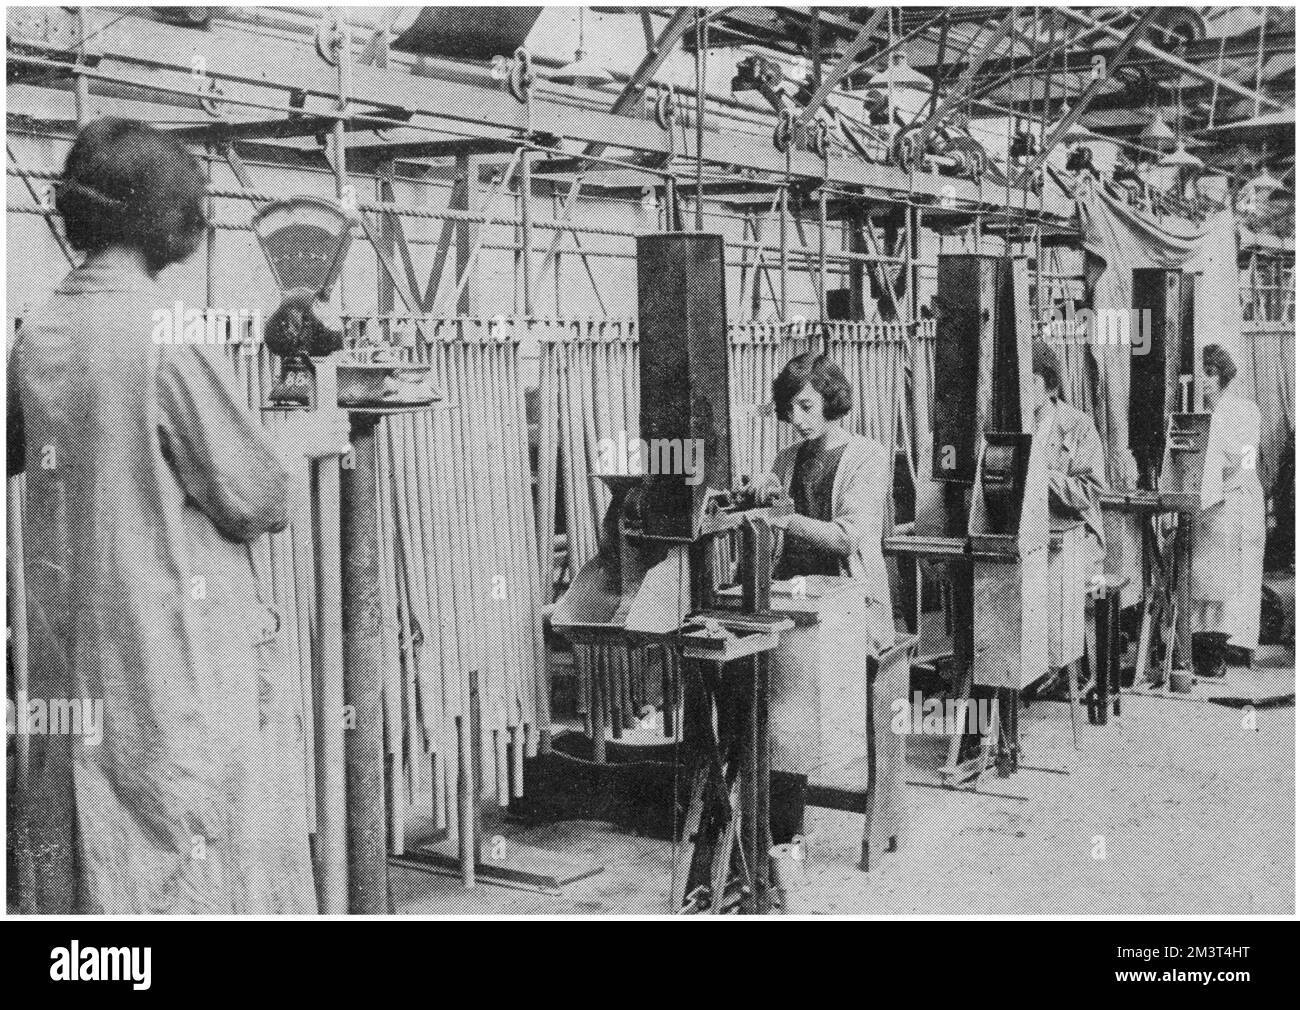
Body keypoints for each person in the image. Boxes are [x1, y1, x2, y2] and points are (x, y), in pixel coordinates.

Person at [7, 118, 349, 913]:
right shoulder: (167, 331)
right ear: (169, 220)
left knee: (96, 862)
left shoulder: (38, 332)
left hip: (75, 664)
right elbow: (255, 498)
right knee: (194, 855)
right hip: (175, 662)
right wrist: (296, 440)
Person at [1028, 342, 1107, 680]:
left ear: (1050, 384)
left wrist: (1043, 477)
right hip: (1034, 532)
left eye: (1029, 380)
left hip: (1079, 534)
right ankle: (1027, 668)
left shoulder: (1078, 426)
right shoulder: (1013, 423)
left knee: (1049, 572)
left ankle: (1056, 664)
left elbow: (1090, 491)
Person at [1188, 344, 1265, 674]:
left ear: (1219, 377)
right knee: (1214, 579)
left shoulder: (1241, 413)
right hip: (1222, 501)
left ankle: (1222, 649)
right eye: (1201, 376)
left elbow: (1243, 461)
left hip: (1235, 500)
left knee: (1229, 582)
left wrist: (1220, 483)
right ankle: (1212, 647)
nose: (1203, 383)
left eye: (1209, 375)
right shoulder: (1214, 416)